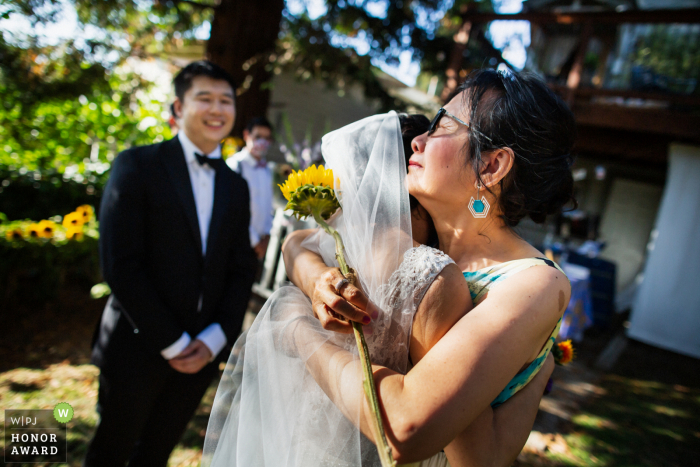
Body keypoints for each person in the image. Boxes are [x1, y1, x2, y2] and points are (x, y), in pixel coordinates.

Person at [202, 96, 562, 465]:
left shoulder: (513, 280)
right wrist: (312, 281)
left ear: (491, 165)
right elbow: (299, 243)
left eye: (444, 126)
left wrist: (296, 324)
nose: (421, 144)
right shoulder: (420, 268)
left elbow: (449, 443)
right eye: (425, 132)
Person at [85, 60, 257, 467]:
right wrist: (174, 342)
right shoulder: (136, 165)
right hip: (136, 345)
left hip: (201, 352)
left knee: (155, 455)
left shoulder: (237, 185)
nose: (217, 109)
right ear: (178, 109)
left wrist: (214, 339)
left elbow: (240, 269)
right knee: (111, 451)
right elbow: (120, 264)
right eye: (205, 98)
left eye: (226, 100)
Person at [226, 117, 275, 260]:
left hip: (257, 248)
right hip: (235, 243)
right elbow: (232, 209)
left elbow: (267, 206)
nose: (262, 142)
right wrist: (254, 240)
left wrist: (266, 236)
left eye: (266, 138)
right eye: (258, 136)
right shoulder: (235, 166)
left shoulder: (267, 170)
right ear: (247, 135)